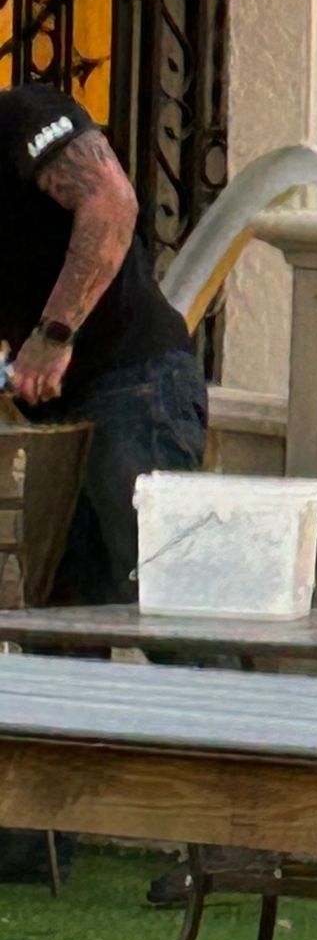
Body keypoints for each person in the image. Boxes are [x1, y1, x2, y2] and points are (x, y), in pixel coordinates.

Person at [0, 82, 207, 603]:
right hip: (56, 418)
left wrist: (53, 334)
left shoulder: (23, 117)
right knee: (59, 616)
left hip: (135, 387)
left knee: (165, 605)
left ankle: (231, 689)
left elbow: (111, 200)